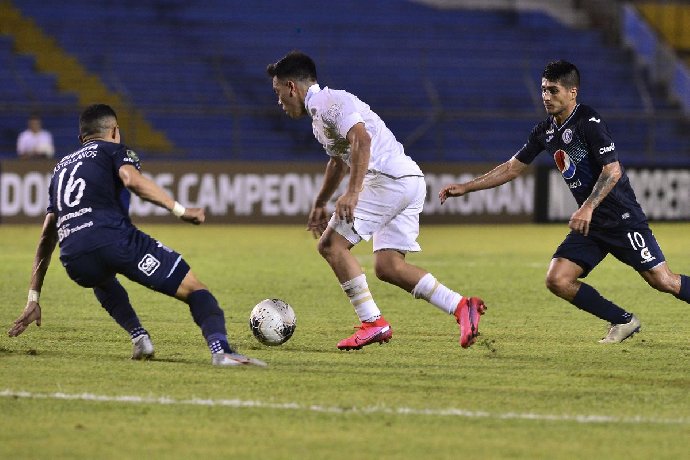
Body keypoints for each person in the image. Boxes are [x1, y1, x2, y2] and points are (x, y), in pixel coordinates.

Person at [439, 60, 690, 343]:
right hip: (591, 225)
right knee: (558, 279)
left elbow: (612, 170)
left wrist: (588, 207)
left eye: (553, 90)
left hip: (621, 219)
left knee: (663, 281)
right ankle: (623, 321)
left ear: (573, 92)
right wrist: (467, 187)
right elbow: (512, 167)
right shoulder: (545, 131)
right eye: (543, 90)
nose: (546, 96)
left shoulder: (589, 122)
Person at [8, 104, 265, 367]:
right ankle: (221, 351)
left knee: (100, 276)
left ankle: (139, 337)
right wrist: (180, 210)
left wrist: (33, 297)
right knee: (195, 289)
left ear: (81, 138)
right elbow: (131, 180)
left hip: (74, 258)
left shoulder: (60, 169)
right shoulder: (114, 150)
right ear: (115, 131)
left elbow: (45, 239)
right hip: (115, 240)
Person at [266, 51, 486, 350]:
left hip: (387, 179)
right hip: (407, 179)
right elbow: (338, 162)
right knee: (388, 266)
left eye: (279, 94)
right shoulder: (320, 116)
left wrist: (353, 192)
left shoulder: (327, 102)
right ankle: (462, 307)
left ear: (292, 87)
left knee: (331, 245)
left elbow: (362, 140)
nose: (280, 103)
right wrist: (320, 202)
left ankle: (373, 323)